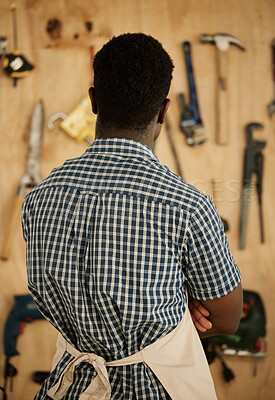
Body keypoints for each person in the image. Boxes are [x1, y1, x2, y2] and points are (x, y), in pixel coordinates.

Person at [21, 33, 242, 400]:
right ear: (164, 111)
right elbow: (227, 319)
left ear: (93, 102)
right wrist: (171, 305)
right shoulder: (187, 206)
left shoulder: (40, 197)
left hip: (69, 388)